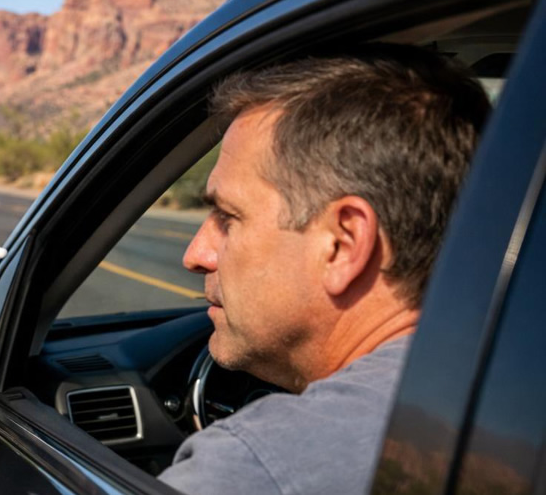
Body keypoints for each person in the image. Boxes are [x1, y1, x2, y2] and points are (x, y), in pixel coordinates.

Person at [157, 44, 491, 494]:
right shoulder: (507, 376)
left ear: (343, 244)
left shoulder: (256, 467)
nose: (196, 255)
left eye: (228, 218)